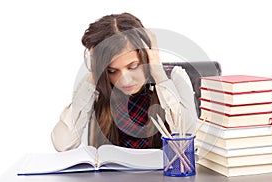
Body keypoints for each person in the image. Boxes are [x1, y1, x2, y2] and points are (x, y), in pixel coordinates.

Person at [51, 13, 199, 152]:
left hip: (165, 177)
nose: (125, 80)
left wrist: (158, 74)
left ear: (146, 55)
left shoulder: (174, 77)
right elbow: (63, 145)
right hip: (110, 179)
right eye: (112, 71)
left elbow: (186, 137)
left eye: (133, 67)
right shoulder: (96, 84)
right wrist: (94, 72)